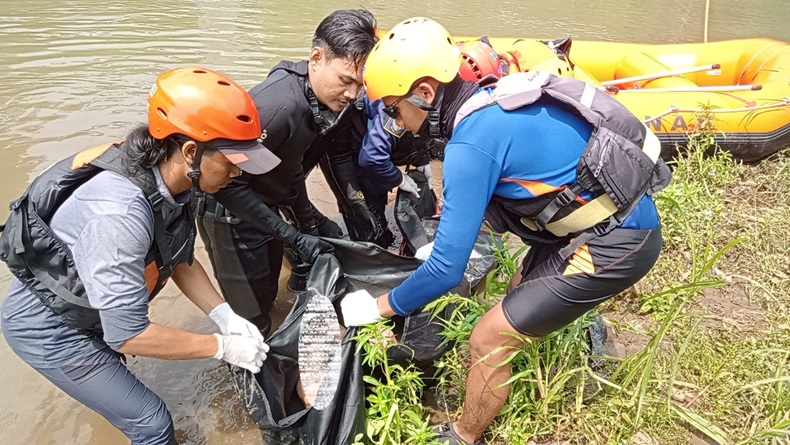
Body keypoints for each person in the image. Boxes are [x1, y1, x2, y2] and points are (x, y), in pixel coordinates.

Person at [340, 17, 669, 445]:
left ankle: (463, 435)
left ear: (425, 92)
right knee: (517, 290)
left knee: (488, 337)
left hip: (616, 240)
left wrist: (379, 307)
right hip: (598, 221)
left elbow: (445, 271)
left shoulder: (470, 144)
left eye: (393, 109)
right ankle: (580, 331)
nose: (397, 122)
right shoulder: (492, 102)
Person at [0, 66, 276, 445]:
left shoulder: (175, 179)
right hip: (51, 329)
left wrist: (223, 315)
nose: (238, 174)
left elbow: (179, 259)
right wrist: (221, 346)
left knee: (125, 395)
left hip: (92, 308)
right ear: (191, 151)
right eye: (233, 162)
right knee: (151, 424)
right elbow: (128, 333)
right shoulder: (120, 213)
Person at [196, 9, 379, 336]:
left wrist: (310, 218)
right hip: (229, 214)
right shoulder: (276, 108)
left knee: (279, 279)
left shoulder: (330, 102)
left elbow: (297, 165)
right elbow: (223, 184)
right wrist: (290, 233)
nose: (352, 93)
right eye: (346, 81)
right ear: (316, 58)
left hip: (268, 199)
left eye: (360, 84)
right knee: (252, 315)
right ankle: (245, 368)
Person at [358, 38, 505, 248]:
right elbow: (371, 157)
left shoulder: (434, 113)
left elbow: (420, 134)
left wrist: (423, 160)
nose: (398, 121)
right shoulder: (396, 108)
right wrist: (398, 179)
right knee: (368, 213)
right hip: (357, 151)